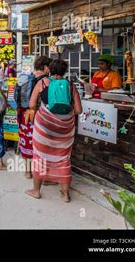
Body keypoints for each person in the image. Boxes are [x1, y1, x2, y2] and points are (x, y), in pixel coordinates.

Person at [25, 59, 82, 203]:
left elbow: (31, 105)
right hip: (65, 129)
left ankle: (36, 191)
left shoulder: (42, 83)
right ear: (64, 71)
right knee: (63, 158)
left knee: (40, 156)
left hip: (44, 127)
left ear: (50, 70)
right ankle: (65, 194)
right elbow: (78, 110)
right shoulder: (70, 85)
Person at [15, 56, 51, 179]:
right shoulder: (46, 81)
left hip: (23, 114)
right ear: (45, 67)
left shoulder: (25, 78)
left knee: (26, 141)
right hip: (38, 115)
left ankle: (27, 171)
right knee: (40, 144)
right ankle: (41, 174)